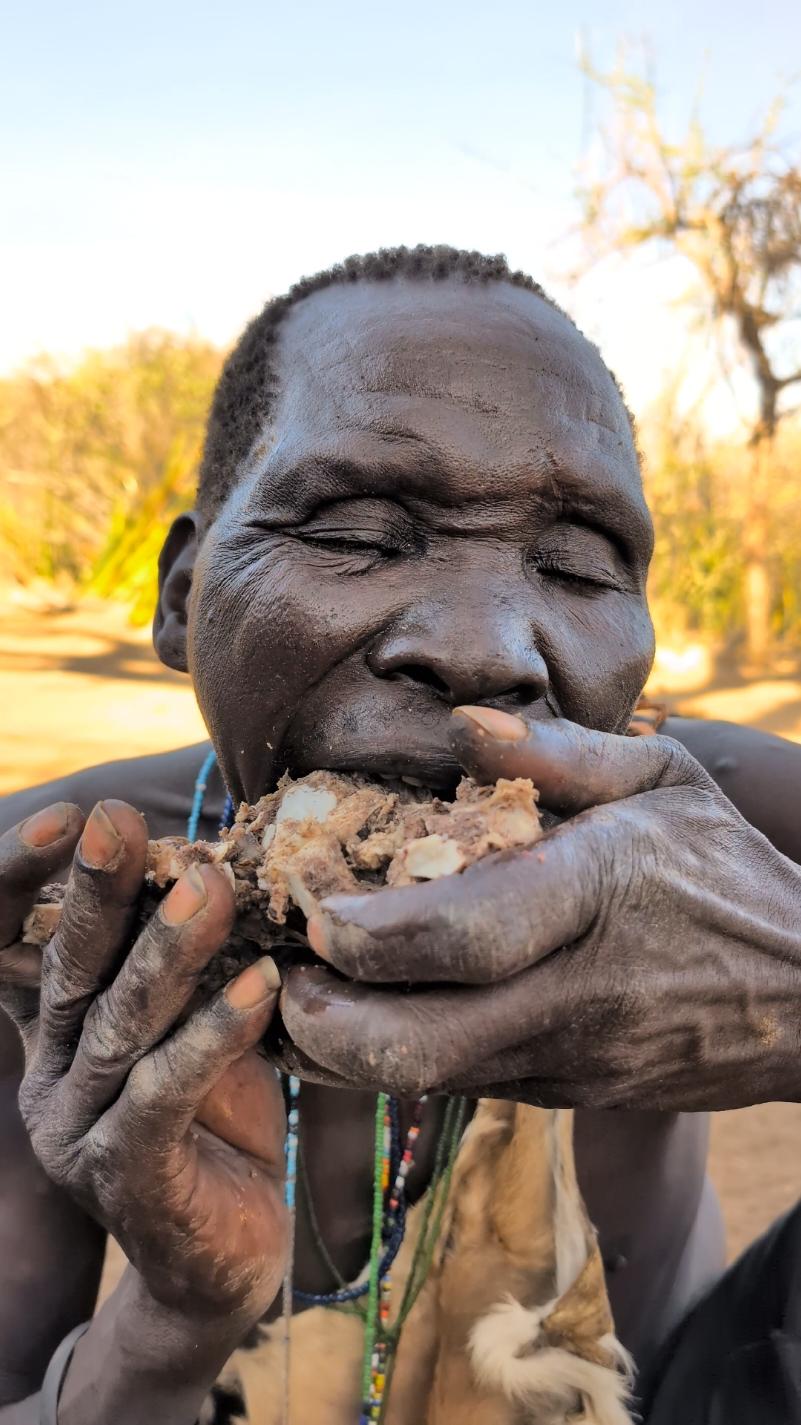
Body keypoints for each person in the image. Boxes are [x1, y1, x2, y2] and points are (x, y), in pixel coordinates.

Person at [2, 245, 801, 1424]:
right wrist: (168, 1326)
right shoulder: (57, 897)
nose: (487, 650)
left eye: (578, 564)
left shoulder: (709, 822)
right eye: (355, 534)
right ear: (181, 600)